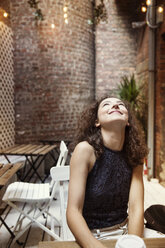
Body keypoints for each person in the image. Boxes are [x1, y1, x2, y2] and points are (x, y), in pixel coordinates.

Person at [66, 95, 148, 248]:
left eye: (120, 104)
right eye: (106, 104)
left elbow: (136, 207)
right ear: (96, 122)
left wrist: (133, 243)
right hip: (93, 236)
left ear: (128, 120)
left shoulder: (135, 153)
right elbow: (73, 211)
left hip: (126, 231)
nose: (115, 106)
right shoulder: (85, 150)